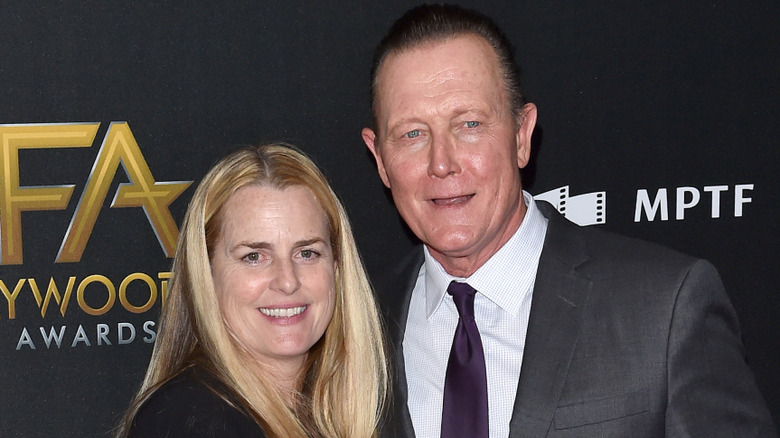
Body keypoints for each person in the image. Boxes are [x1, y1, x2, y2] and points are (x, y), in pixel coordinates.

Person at [361, 4, 775, 437]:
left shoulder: (665, 311)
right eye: (412, 134)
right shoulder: (355, 323)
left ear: (522, 136)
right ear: (380, 159)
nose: (442, 163)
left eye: (469, 124)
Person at [117, 144, 387, 437]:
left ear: (336, 266)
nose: (288, 281)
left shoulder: (331, 415)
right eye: (254, 257)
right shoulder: (191, 421)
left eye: (307, 253)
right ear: (205, 273)